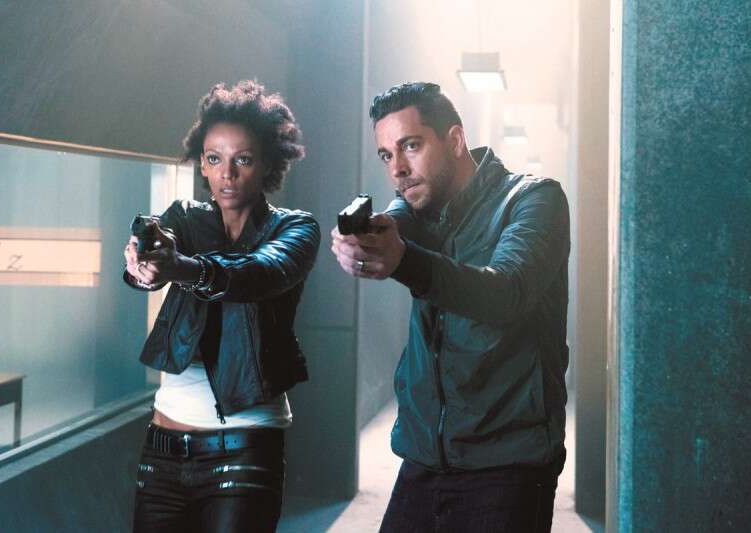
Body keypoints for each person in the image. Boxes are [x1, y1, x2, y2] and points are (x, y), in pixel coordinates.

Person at [331, 82, 569, 532]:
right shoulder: (417, 205)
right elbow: (394, 221)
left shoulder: (535, 199)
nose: (398, 169)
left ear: (455, 140)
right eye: (386, 155)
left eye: (411, 146)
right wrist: (359, 242)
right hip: (424, 457)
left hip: (507, 465)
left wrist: (404, 259)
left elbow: (508, 291)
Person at [123, 80, 319, 532]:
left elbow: (258, 273)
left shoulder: (295, 228)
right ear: (202, 164)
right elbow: (153, 259)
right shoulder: (183, 217)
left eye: (242, 159)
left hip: (246, 447)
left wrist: (184, 268)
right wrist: (142, 267)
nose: (227, 173)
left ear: (267, 163)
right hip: (163, 450)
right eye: (214, 159)